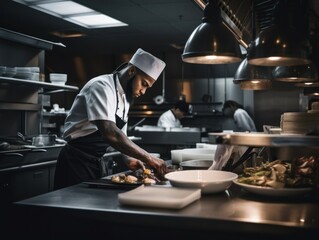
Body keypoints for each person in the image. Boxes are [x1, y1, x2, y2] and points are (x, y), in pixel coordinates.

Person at [54, 48, 168, 190]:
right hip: (75, 162)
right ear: (132, 71)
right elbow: (110, 132)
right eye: (144, 84)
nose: (143, 91)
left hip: (96, 162)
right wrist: (149, 158)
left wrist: (129, 158)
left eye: (148, 87)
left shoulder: (126, 98)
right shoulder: (101, 86)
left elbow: (121, 134)